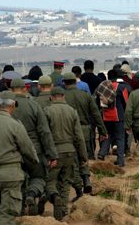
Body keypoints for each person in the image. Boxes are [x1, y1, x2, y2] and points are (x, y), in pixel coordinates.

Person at [0, 92, 39, 224]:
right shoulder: (15, 125)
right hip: (12, 176)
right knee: (8, 216)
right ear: (13, 105)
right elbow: (28, 149)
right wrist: (35, 162)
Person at [9, 78, 58, 215]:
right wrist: (51, 154)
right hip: (34, 149)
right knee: (38, 177)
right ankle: (32, 194)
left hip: (13, 150)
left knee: (18, 180)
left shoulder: (6, 107)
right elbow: (44, 132)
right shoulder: (33, 105)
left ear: (10, 89)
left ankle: (20, 209)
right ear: (24, 88)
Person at [43, 87, 87, 220]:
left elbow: (45, 135)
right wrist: (83, 156)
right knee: (66, 182)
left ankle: (55, 197)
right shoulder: (72, 111)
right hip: (70, 152)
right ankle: (62, 211)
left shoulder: (47, 111)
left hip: (54, 152)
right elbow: (79, 137)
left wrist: (48, 154)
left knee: (50, 180)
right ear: (63, 96)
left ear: (51, 97)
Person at [63, 72, 107, 198]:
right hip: (85, 130)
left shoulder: (62, 97)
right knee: (84, 156)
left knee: (73, 160)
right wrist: (103, 130)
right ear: (76, 82)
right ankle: (86, 179)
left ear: (64, 83)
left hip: (68, 131)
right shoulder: (85, 96)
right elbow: (96, 114)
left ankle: (78, 188)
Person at [97, 70, 131, 167]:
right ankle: (120, 161)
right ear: (117, 77)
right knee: (120, 138)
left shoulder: (103, 87)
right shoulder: (121, 87)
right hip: (118, 116)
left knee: (108, 135)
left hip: (106, 116)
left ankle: (102, 153)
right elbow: (126, 103)